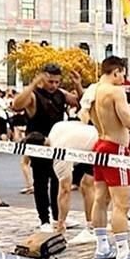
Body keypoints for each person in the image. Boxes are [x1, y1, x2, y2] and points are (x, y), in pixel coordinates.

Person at [88, 56, 130, 259]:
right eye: (122, 73)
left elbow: (85, 114)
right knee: (121, 204)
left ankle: (102, 246)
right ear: (115, 72)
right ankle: (123, 252)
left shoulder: (94, 90)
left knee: (100, 198)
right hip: (116, 149)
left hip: (100, 144)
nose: (123, 78)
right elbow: (124, 115)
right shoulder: (116, 91)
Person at [12, 65, 82, 231]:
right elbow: (17, 104)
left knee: (58, 180)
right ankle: (44, 219)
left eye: (57, 82)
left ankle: (58, 217)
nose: (54, 85)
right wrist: (33, 84)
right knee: (41, 182)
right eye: (50, 81)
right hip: (37, 142)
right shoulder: (35, 95)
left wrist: (78, 85)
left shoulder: (60, 94)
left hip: (57, 142)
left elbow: (80, 102)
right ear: (43, 78)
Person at [47, 110, 100, 244]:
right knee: (87, 184)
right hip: (98, 135)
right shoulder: (56, 127)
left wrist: (60, 224)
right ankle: (93, 226)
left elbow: (65, 190)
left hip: (99, 144)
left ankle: (91, 228)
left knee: (88, 185)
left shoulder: (58, 154)